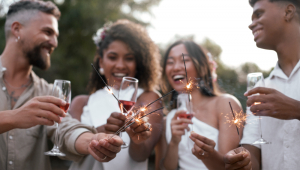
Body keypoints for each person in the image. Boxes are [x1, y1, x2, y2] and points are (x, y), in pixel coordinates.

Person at [0, 1, 123, 170]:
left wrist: (90, 141)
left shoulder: (49, 91)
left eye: (56, 35)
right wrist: (14, 117)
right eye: (47, 32)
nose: (54, 43)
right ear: (17, 29)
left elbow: (65, 128)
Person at [69, 19, 163, 170]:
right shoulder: (81, 103)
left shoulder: (148, 98)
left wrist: (137, 138)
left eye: (129, 58)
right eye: (113, 57)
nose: (120, 65)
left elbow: (141, 156)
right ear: (101, 61)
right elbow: (68, 149)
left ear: (138, 63)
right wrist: (102, 132)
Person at [223, 0, 300, 170]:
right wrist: (242, 160)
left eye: (258, 14)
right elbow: (252, 149)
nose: (251, 25)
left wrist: (296, 109)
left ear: (288, 12)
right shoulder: (261, 87)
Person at [156, 40, 243, 170]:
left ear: (201, 66)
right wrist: (174, 142)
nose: (176, 67)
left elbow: (229, 166)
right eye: (170, 62)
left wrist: (208, 154)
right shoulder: (167, 119)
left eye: (184, 60)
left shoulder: (226, 104)